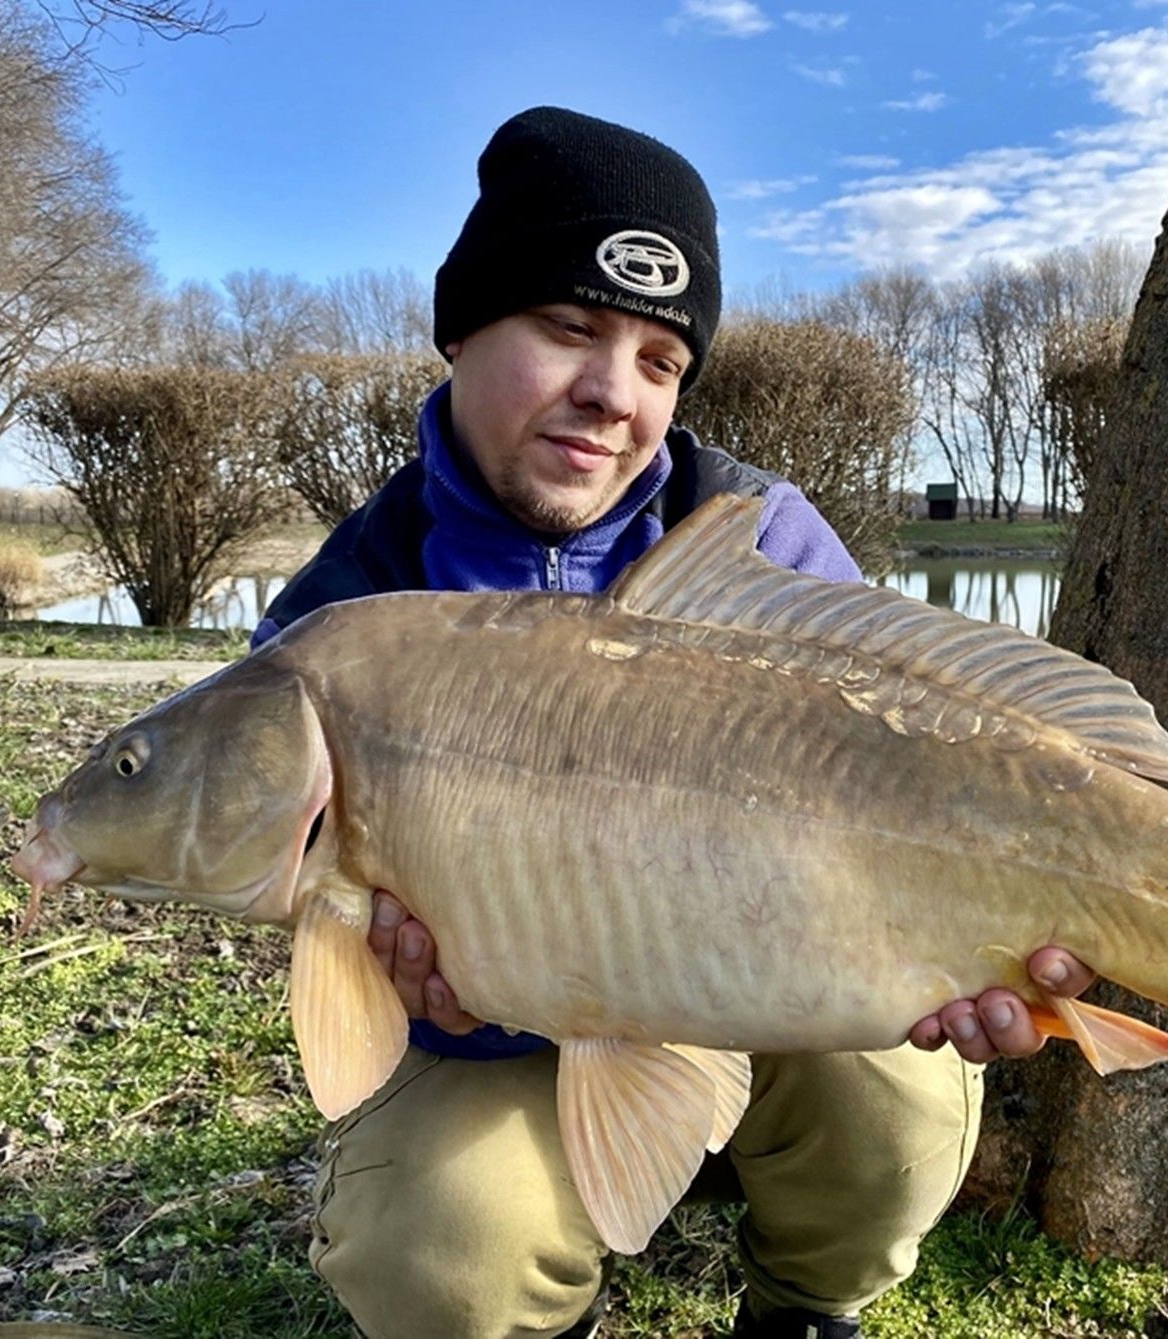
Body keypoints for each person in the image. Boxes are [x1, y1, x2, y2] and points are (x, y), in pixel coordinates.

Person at [254, 106, 1092, 1339]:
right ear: (462, 328)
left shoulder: (759, 538)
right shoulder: (344, 618)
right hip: (511, 1057)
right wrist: (447, 995)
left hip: (763, 999)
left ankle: (804, 1310)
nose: (610, 394)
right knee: (440, 1251)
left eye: (660, 360)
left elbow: (926, 757)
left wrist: (967, 947)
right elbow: (327, 945)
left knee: (898, 1099)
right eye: (570, 328)